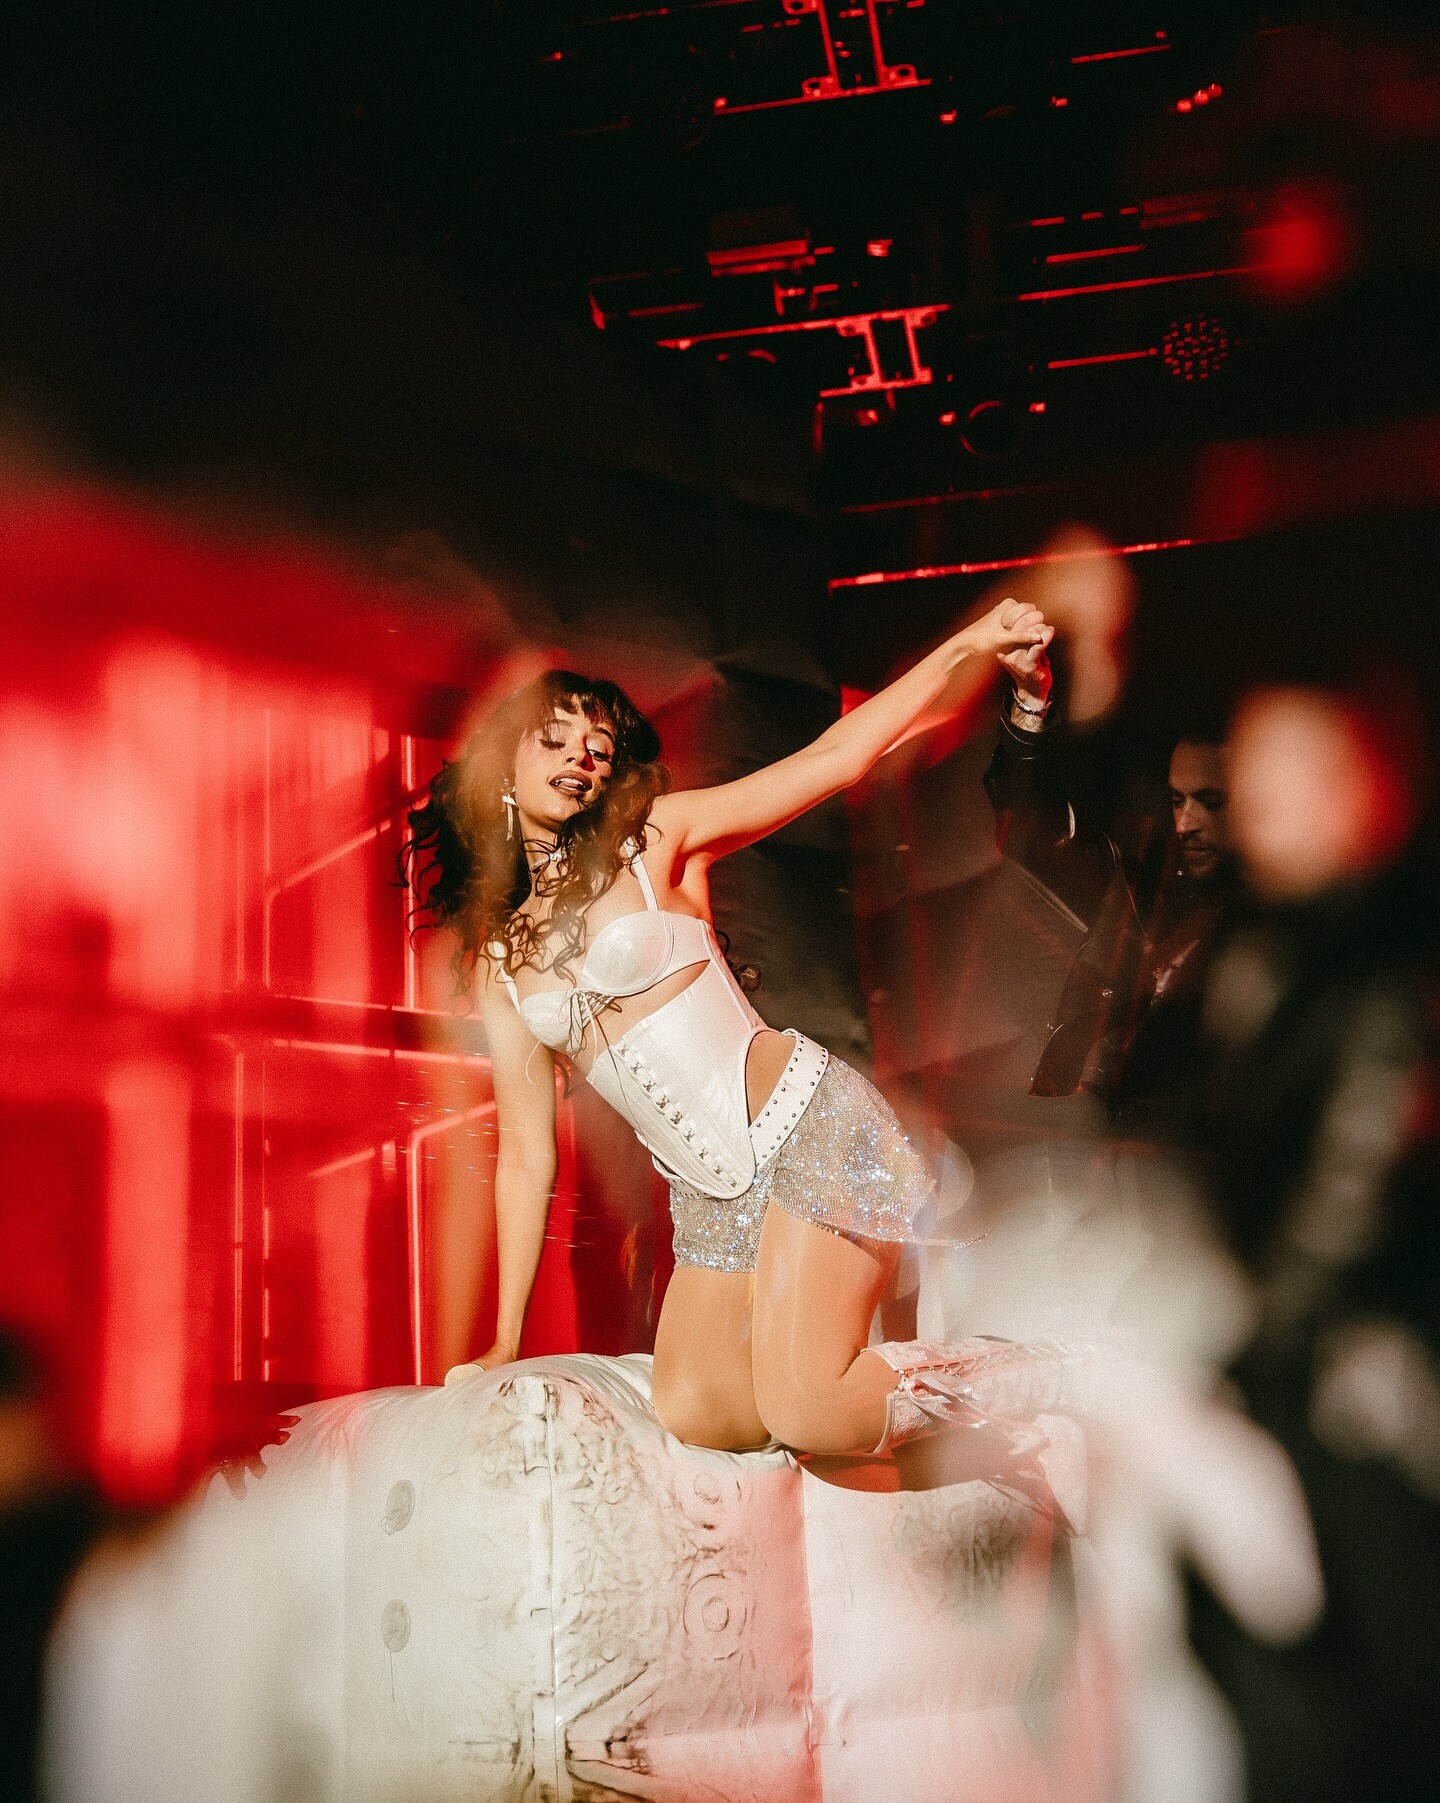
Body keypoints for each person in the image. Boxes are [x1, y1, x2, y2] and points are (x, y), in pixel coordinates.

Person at [402, 599, 1079, 1461]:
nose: (583, 754)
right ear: (504, 767)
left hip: (805, 1129)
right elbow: (528, 1155)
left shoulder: (654, 843)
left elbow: (835, 758)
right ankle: (845, 1342)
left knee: (807, 1409)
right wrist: (505, 1341)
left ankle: (1036, 1372)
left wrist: (970, 643)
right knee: (701, 1414)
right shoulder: (499, 962)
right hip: (709, 1204)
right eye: (556, 737)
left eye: (599, 744)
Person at [983, 633, 1236, 1126]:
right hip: (1087, 1127)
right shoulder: (1143, 876)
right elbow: (1028, 826)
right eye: (1177, 801)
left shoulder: (1279, 928)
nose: (1185, 823)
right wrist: (1030, 705)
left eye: (1210, 802)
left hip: (1192, 1147)